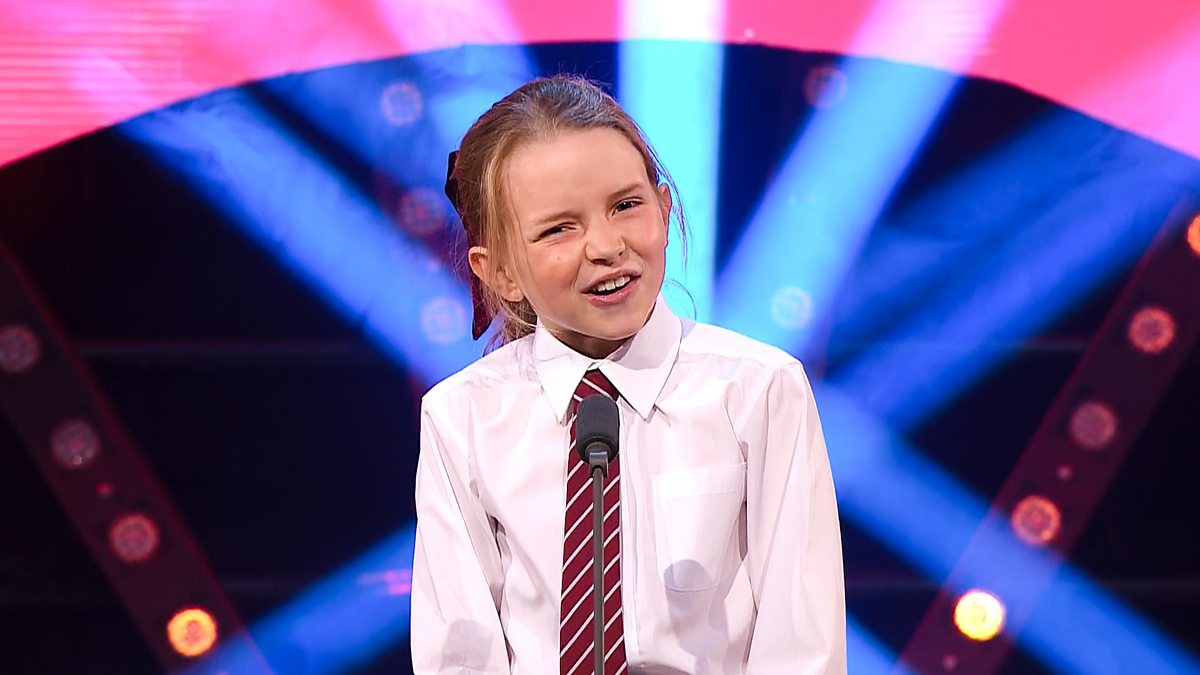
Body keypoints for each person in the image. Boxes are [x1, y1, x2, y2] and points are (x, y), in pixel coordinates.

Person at [411, 74, 845, 674]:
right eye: (559, 229)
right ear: (500, 272)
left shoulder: (757, 389)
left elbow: (802, 646)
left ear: (664, 210)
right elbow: (459, 654)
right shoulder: (463, 417)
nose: (606, 245)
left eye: (625, 205)